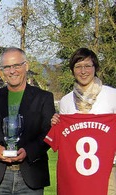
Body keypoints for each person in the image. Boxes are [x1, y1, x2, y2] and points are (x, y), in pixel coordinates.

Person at [0, 47, 54, 194]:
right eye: (7, 67)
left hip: (31, 174)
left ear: (26, 66)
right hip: (0, 175)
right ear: (1, 70)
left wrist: (29, 151)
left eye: (17, 65)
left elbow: (48, 132)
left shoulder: (43, 98)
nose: (12, 71)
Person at [50, 48, 116, 194]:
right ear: (72, 70)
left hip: (109, 169)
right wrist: (56, 123)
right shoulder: (66, 101)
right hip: (75, 173)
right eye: (78, 67)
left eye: (87, 66)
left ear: (96, 68)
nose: (83, 71)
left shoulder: (112, 95)